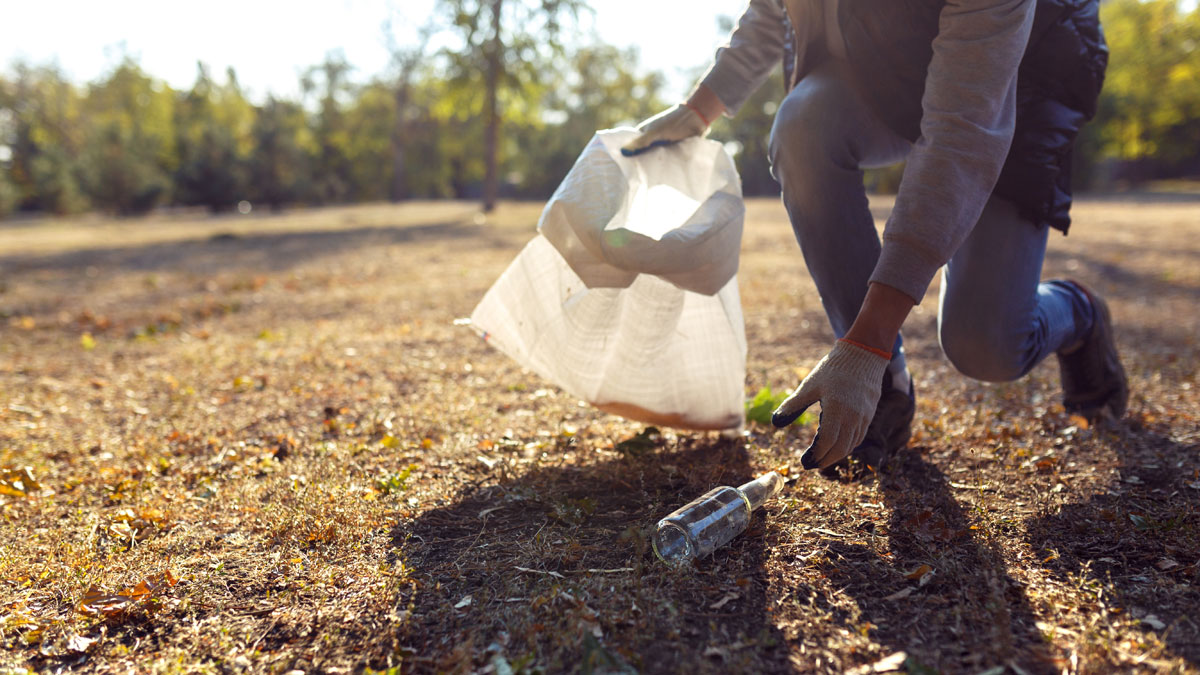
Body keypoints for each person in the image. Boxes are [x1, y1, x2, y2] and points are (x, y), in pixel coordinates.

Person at [623, 0, 1125, 475]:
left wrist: (870, 339)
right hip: (883, 66)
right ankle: (886, 387)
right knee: (803, 126)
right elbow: (772, 10)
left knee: (986, 346)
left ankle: (1078, 311)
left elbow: (961, 131)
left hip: (1021, 76)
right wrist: (701, 108)